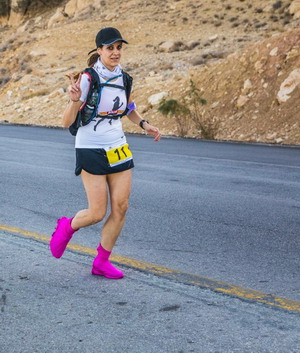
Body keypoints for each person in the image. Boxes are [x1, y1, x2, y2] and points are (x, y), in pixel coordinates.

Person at [50, 27, 161, 279]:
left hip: (117, 146)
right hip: (90, 146)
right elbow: (66, 122)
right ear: (99, 50)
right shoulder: (88, 78)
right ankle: (67, 226)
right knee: (97, 213)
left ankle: (101, 262)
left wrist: (144, 124)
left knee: (121, 207)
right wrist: (74, 100)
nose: (115, 52)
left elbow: (128, 107)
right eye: (110, 47)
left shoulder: (125, 78)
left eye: (119, 47)